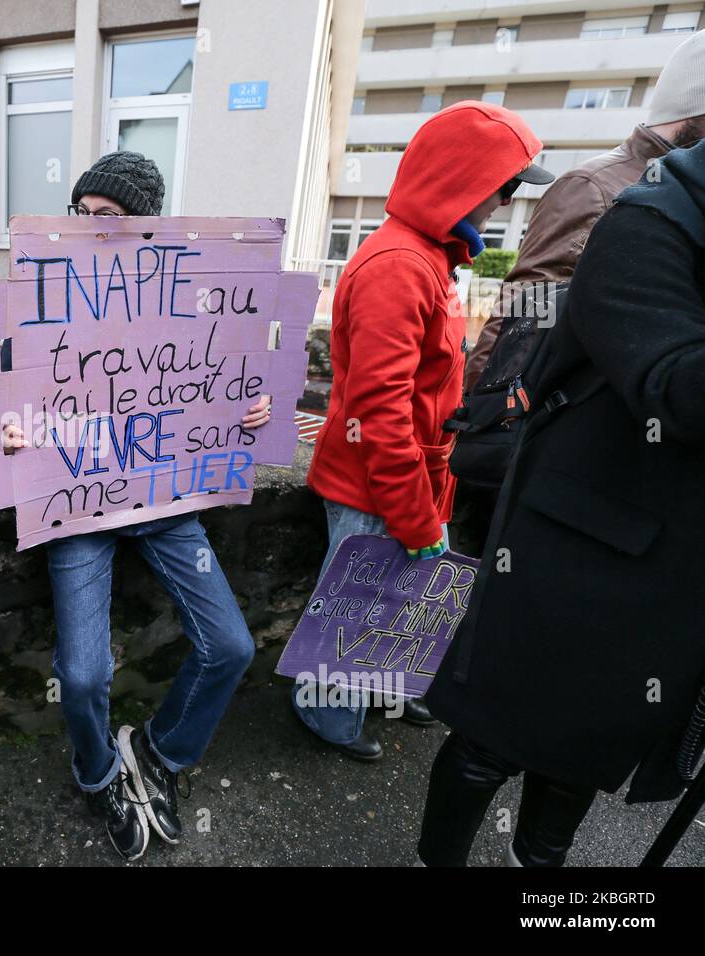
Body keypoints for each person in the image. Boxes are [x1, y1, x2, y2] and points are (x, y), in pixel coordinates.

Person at [418, 139, 705, 867]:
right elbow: (534, 313)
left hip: (666, 567)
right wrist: (423, 493)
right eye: (496, 191)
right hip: (574, 540)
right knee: (493, 734)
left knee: (584, 749)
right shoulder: (644, 217)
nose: (503, 205)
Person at [1, 151, 270, 861]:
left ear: (147, 226)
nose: (90, 228)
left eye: (109, 217)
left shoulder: (186, 298)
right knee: (83, 673)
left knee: (233, 646)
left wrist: (251, 410)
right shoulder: (41, 295)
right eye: (82, 213)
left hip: (166, 499)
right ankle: (98, 773)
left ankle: (159, 753)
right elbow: (6, 385)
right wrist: (11, 426)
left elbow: (225, 376)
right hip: (76, 503)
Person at [297, 101, 553, 762]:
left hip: (406, 472)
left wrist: (453, 413)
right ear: (465, 183)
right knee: (356, 606)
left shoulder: (426, 258)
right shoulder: (401, 267)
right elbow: (379, 412)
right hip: (375, 483)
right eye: (502, 188)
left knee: (392, 599)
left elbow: (416, 384)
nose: (503, 203)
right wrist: (415, 519)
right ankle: (326, 718)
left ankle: (383, 692)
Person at [456, 30, 705, 554]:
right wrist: (488, 431)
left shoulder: (667, 191)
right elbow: (525, 314)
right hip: (550, 461)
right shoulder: (599, 187)